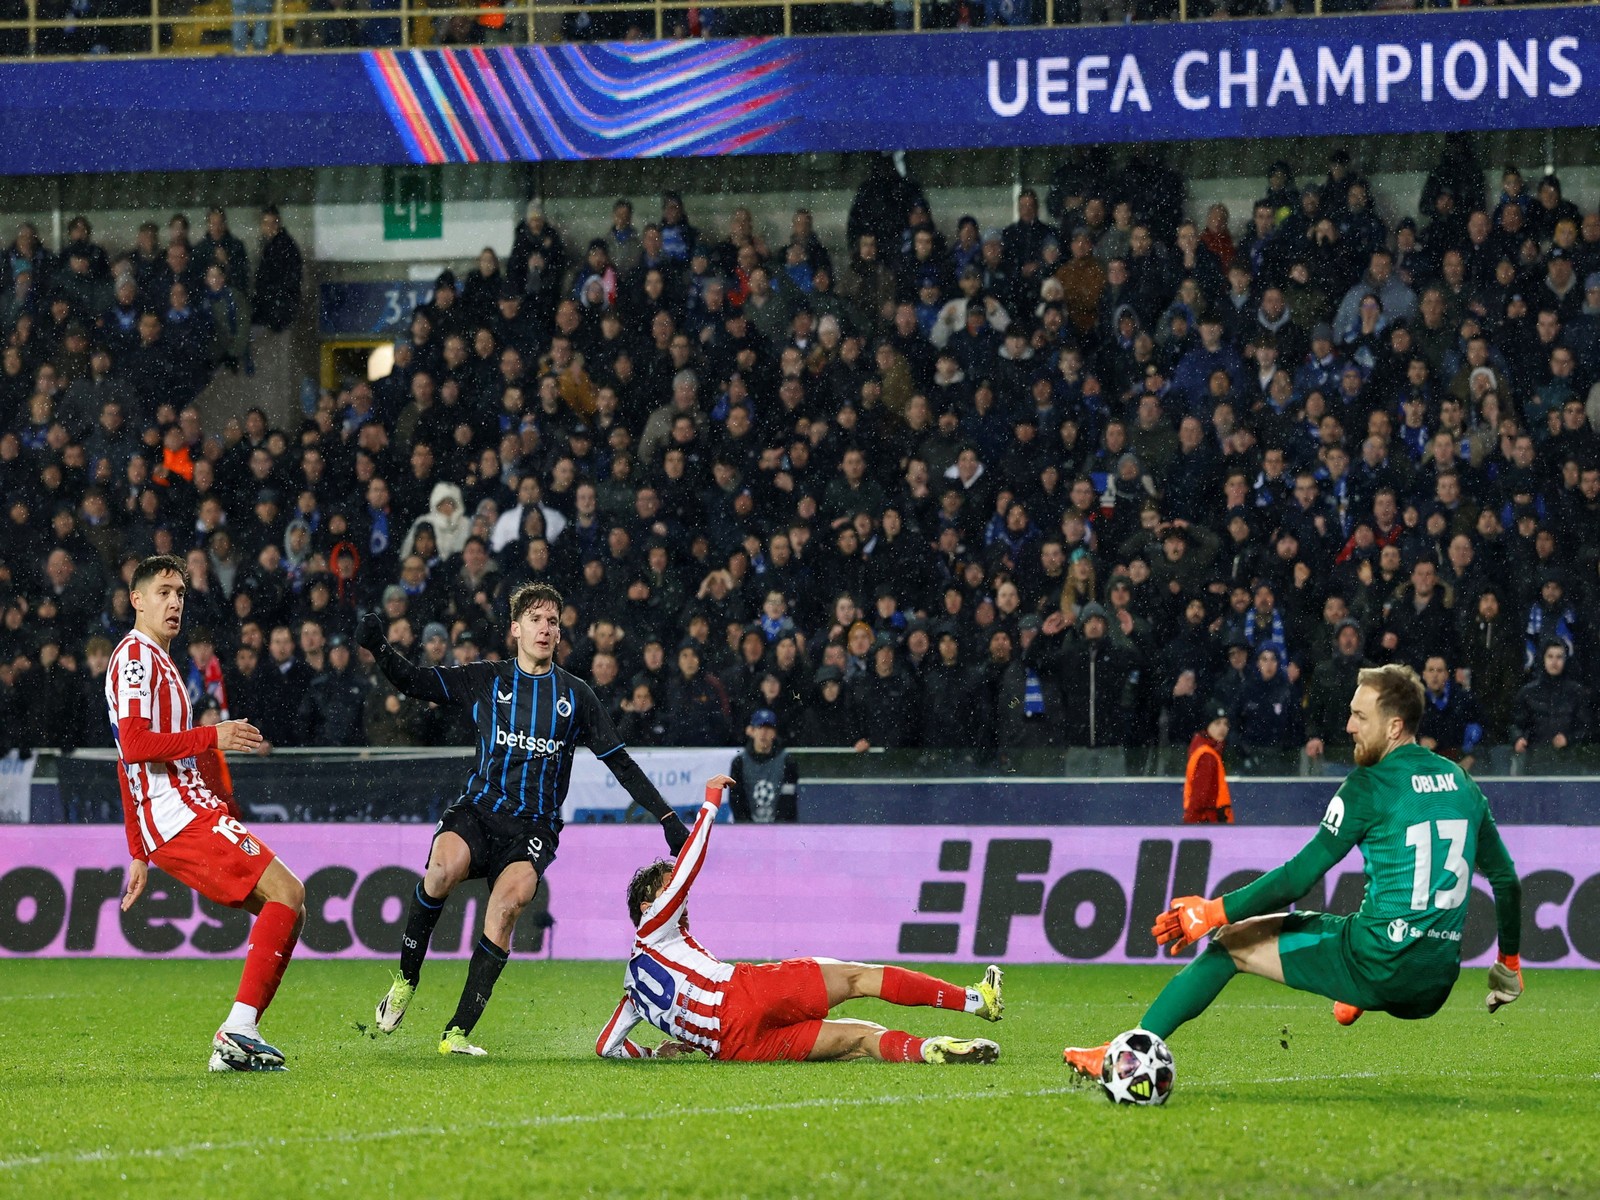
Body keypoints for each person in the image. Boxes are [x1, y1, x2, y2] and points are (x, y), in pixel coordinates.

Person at [1064, 664, 1524, 1076]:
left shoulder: (1368, 785)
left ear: (1395, 726)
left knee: (1230, 945)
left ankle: (1122, 1053)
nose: (1349, 726)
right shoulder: (1464, 784)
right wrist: (1508, 964)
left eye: (1361, 717)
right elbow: (1505, 880)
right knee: (1365, 919)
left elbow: (1298, 879)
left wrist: (1213, 911)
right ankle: (1355, 991)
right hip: (1435, 982)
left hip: (1380, 964)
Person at [361, 581, 691, 1056]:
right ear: (515, 628)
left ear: (559, 635)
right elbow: (414, 682)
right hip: (478, 809)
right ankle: (405, 980)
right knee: (441, 870)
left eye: (553, 621)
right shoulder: (487, 679)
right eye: (536, 619)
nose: (545, 627)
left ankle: (456, 1034)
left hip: (533, 827)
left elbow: (619, 761)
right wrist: (379, 647)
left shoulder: (575, 696)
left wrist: (665, 817)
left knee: (509, 903)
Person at [597, 777, 1003, 1065]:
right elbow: (688, 868)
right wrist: (708, 805)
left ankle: (930, 1048)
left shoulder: (632, 991)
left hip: (735, 1050)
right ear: (647, 907)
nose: (677, 896)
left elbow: (607, 1046)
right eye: (666, 891)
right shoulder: (653, 928)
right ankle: (975, 1000)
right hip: (742, 996)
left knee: (860, 1037)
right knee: (859, 977)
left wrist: (652, 1053)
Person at [109, 555, 305, 1073]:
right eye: (164, 592)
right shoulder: (136, 658)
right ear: (137, 600)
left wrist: (137, 851)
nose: (174, 602)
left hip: (185, 813)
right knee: (289, 893)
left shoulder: (162, 661)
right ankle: (238, 1030)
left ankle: (241, 1036)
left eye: (180, 593)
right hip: (177, 814)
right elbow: (133, 746)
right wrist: (212, 735)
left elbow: (126, 759)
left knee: (289, 909)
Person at [728, 708, 797, 823]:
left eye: (768, 729)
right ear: (752, 731)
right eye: (760, 728)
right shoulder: (739, 763)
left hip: (781, 829)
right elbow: (736, 800)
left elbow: (788, 800)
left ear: (774, 733)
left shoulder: (788, 762)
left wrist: (779, 827)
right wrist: (747, 826)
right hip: (747, 830)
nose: (764, 733)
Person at [1183, 704, 1233, 824]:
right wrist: (1190, 824)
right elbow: (1199, 798)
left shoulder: (1206, 751)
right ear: (1207, 726)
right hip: (1208, 822)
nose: (1222, 728)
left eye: (1226, 724)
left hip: (1207, 821)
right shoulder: (1207, 756)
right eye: (1217, 723)